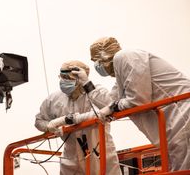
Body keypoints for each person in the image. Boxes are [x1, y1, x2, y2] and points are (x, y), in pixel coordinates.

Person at [80, 36, 190, 171]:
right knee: (179, 167)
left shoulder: (125, 56)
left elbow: (138, 100)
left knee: (183, 169)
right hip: (173, 122)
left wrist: (113, 107)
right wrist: (86, 83)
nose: (96, 66)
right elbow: (109, 102)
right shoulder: (122, 74)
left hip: (182, 115)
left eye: (95, 60)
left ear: (104, 56)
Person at [35, 60, 122, 175]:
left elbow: (108, 108)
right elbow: (39, 121)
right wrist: (49, 126)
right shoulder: (54, 99)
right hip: (71, 158)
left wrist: (65, 120)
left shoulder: (95, 92)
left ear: (80, 77)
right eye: (62, 77)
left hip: (100, 153)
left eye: (68, 78)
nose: (63, 81)